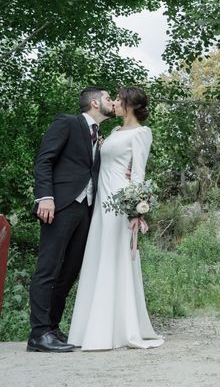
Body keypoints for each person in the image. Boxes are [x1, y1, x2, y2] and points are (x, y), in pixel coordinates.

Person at [68, 86, 164, 350]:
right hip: (101, 201)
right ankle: (91, 328)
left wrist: (136, 211)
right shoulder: (112, 132)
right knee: (99, 255)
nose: (115, 104)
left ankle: (118, 329)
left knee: (115, 256)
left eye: (119, 100)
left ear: (130, 105)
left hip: (120, 203)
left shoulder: (142, 133)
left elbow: (139, 174)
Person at [28, 87, 114, 353]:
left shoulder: (100, 136)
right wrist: (45, 197)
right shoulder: (67, 122)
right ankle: (38, 334)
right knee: (48, 269)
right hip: (60, 205)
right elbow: (44, 161)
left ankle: (52, 328)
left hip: (87, 209)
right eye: (109, 98)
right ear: (95, 102)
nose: (113, 102)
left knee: (69, 272)